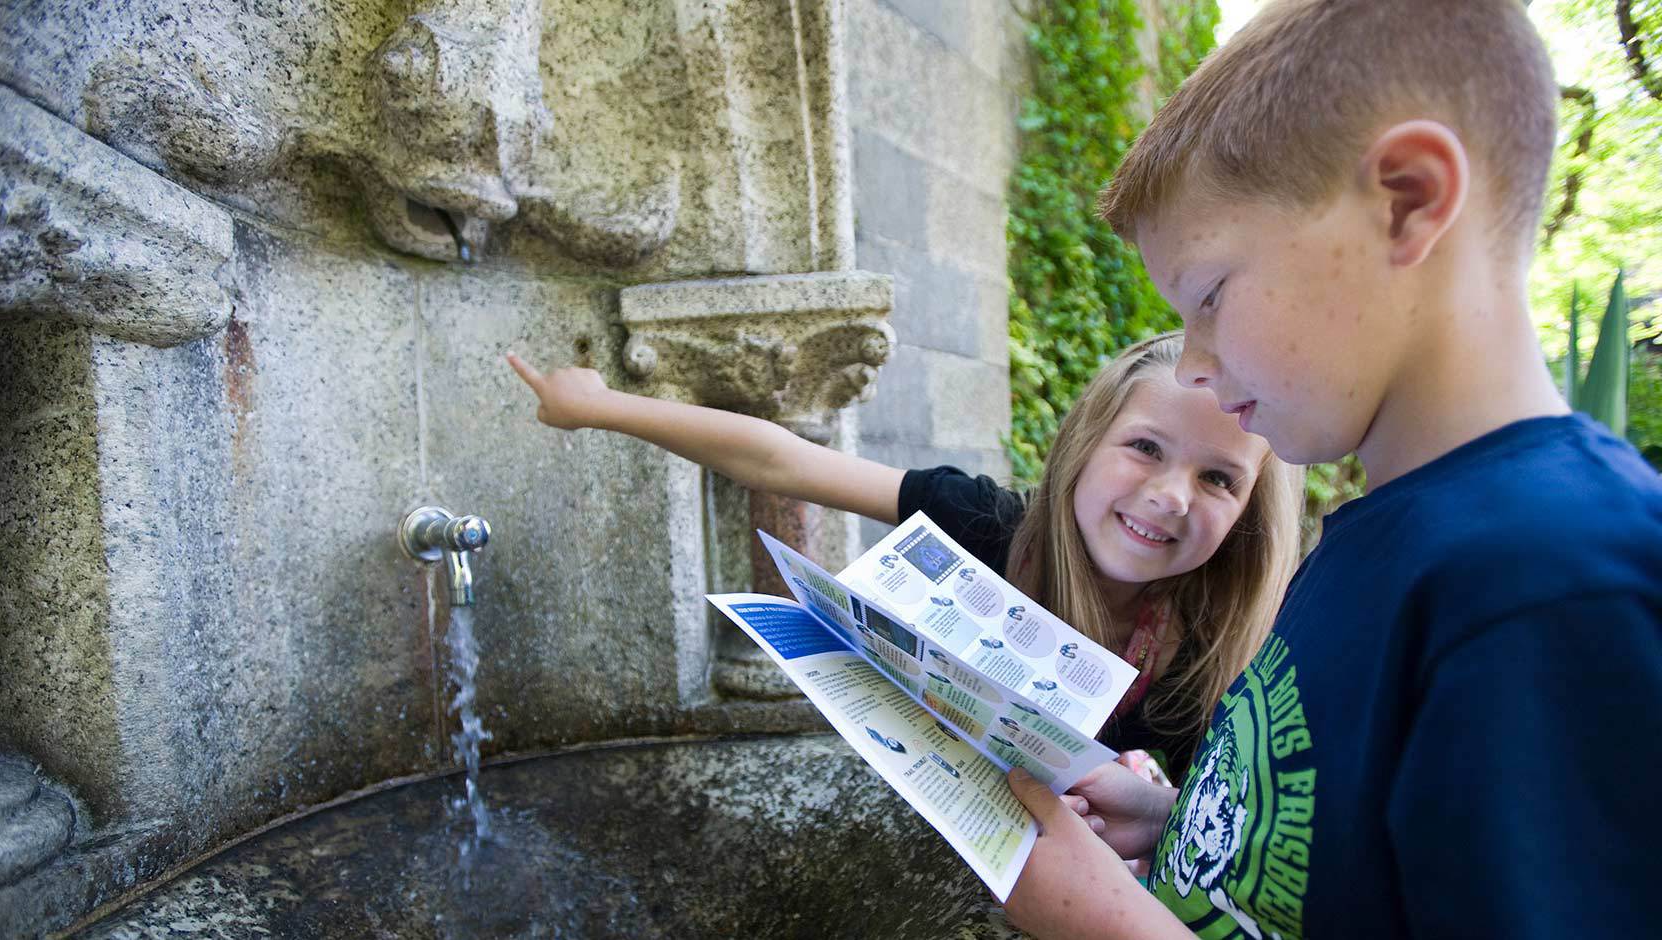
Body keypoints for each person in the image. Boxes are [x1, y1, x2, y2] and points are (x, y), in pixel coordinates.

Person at [1001, 1, 1662, 937]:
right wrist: (1174, 820)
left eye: (1211, 295)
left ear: (1408, 200)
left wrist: (1113, 925)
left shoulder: (1556, 588)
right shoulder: (1380, 536)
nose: (1190, 362)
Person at [506, 331, 1303, 784]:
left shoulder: (1217, 655)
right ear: (1085, 445)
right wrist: (602, 406)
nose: (1171, 495)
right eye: (1145, 448)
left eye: (1218, 479)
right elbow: (785, 463)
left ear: (1247, 516)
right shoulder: (989, 524)